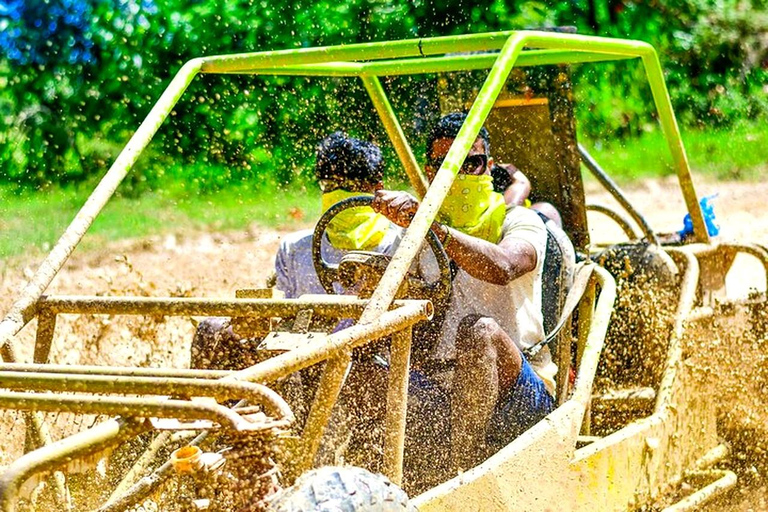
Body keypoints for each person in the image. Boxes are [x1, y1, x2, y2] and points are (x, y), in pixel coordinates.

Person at [371, 112, 556, 475]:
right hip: (443, 393)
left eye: (469, 163)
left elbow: (503, 266)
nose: (458, 175)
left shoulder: (518, 221)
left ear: (487, 167)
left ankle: (464, 474)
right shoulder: (411, 235)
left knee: (479, 332)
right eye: (445, 166)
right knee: (359, 358)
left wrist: (430, 226)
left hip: (519, 395)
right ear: (429, 171)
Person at [190, 131, 399, 370]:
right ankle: (214, 404)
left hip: (367, 363)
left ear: (377, 189)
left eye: (350, 186)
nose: (338, 194)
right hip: (302, 360)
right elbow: (282, 317)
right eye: (330, 185)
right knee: (212, 329)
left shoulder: (401, 247)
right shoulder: (296, 248)